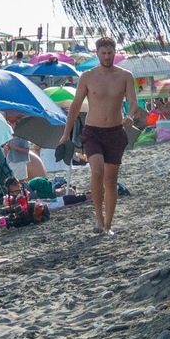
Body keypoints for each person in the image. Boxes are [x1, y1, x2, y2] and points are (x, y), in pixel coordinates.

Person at [61, 36, 139, 236]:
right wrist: (65, 135)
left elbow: (133, 102)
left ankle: (108, 226)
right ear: (96, 54)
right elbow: (75, 106)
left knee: (111, 180)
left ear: (115, 53)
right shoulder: (87, 76)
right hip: (92, 131)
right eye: (103, 53)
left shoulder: (125, 76)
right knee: (96, 171)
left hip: (115, 132)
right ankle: (98, 218)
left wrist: (130, 116)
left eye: (110, 53)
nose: (106, 57)